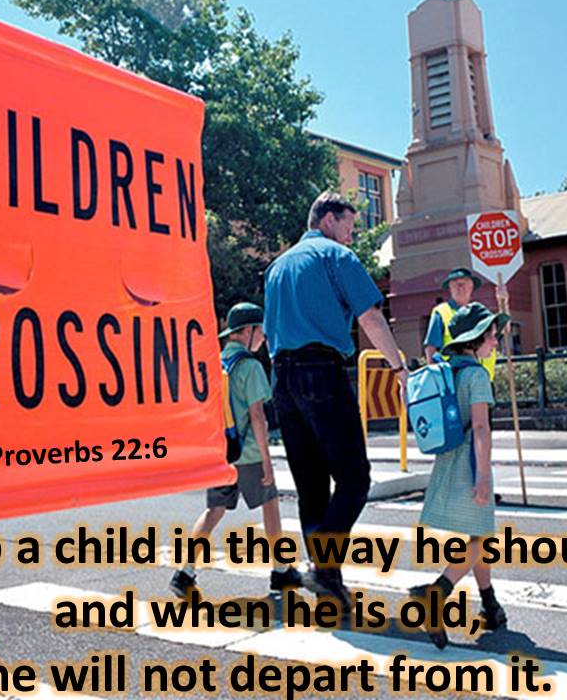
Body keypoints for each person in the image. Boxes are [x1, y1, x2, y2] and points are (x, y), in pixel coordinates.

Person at [263, 191, 407, 612]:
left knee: (310, 484)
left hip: (282, 377)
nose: (351, 234)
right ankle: (325, 566)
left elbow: (270, 332)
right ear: (328, 219)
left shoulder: (276, 267)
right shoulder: (336, 256)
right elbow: (370, 317)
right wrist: (398, 367)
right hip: (320, 371)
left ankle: (329, 580)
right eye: (348, 224)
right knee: (354, 477)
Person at [169, 302, 302, 598]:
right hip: (250, 453)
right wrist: (267, 461)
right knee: (270, 504)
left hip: (222, 453)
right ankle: (281, 570)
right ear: (247, 331)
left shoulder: (215, 363)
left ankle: (184, 573)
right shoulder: (250, 367)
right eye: (261, 331)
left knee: (214, 510)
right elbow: (258, 416)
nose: (264, 337)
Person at [410, 302, 510, 649]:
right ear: (476, 338)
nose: (495, 342)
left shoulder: (449, 371)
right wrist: (483, 476)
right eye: (492, 336)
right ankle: (436, 593)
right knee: (482, 539)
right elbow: (480, 427)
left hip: (448, 461)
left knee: (477, 533)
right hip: (470, 462)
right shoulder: (477, 375)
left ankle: (490, 605)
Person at [424, 267, 507, 380]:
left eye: (465, 282)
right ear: (449, 287)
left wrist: (503, 302)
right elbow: (431, 349)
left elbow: (505, 329)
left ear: (472, 286)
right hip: (456, 380)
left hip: (485, 379)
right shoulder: (441, 312)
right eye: (456, 283)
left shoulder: (479, 312)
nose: (460, 287)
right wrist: (437, 381)